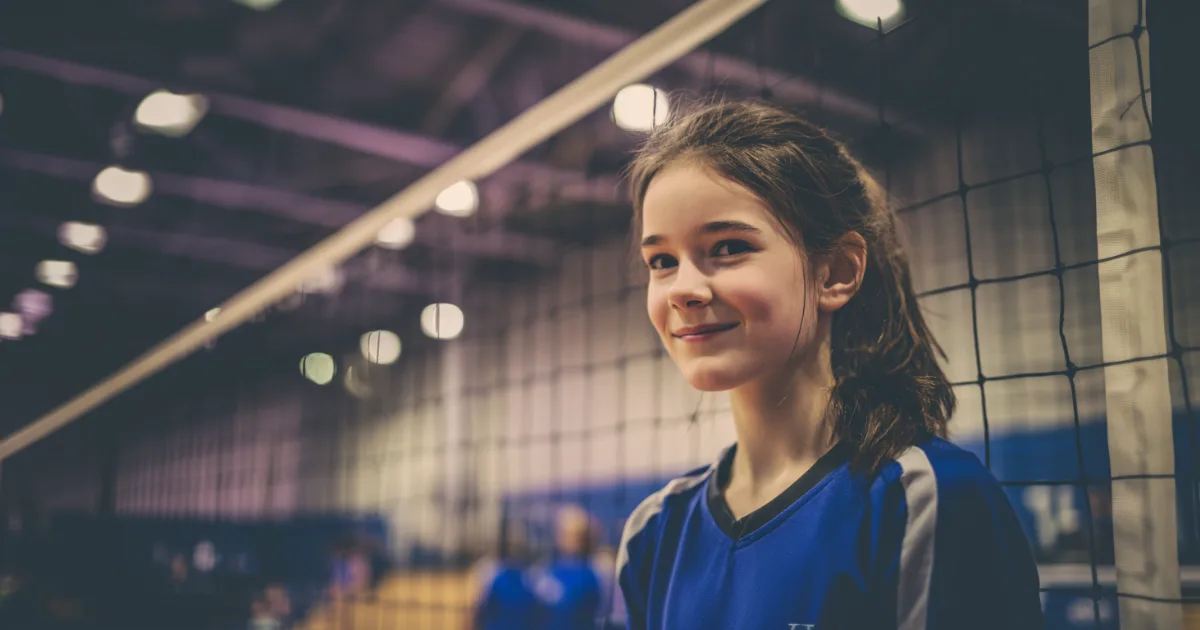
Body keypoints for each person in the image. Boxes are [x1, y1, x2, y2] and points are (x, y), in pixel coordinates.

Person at [616, 99, 1043, 630]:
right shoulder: (654, 530)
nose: (683, 289)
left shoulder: (925, 498)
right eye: (661, 261)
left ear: (836, 272)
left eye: (727, 247)